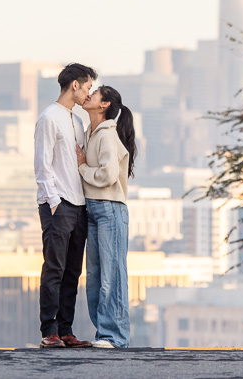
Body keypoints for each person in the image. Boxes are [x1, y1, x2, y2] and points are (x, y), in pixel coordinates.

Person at [34, 62, 98, 348]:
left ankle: (66, 330)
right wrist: (54, 202)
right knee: (54, 269)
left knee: (73, 271)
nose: (88, 92)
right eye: (87, 87)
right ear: (75, 85)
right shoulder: (49, 118)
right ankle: (49, 332)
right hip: (58, 205)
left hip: (79, 204)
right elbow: (42, 165)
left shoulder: (77, 121)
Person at [75, 84, 136, 349]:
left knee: (112, 275)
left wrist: (82, 168)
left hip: (110, 208)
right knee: (96, 277)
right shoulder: (92, 133)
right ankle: (104, 332)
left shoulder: (107, 135)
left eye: (96, 92)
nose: (90, 94)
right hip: (95, 210)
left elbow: (108, 175)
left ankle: (115, 336)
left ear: (105, 105)